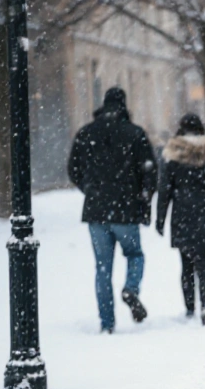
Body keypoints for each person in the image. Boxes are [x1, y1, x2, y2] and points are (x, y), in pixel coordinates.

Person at [66, 87, 156, 333]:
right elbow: (149, 171)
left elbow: (72, 168)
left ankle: (107, 323)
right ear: (123, 105)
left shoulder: (86, 133)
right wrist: (143, 198)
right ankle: (131, 288)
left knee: (102, 268)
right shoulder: (135, 134)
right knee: (134, 254)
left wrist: (89, 188)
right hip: (126, 209)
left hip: (96, 211)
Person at [156, 113, 205, 326]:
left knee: (186, 265)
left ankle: (190, 308)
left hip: (182, 215)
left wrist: (160, 219)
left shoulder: (174, 156)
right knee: (204, 266)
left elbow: (164, 190)